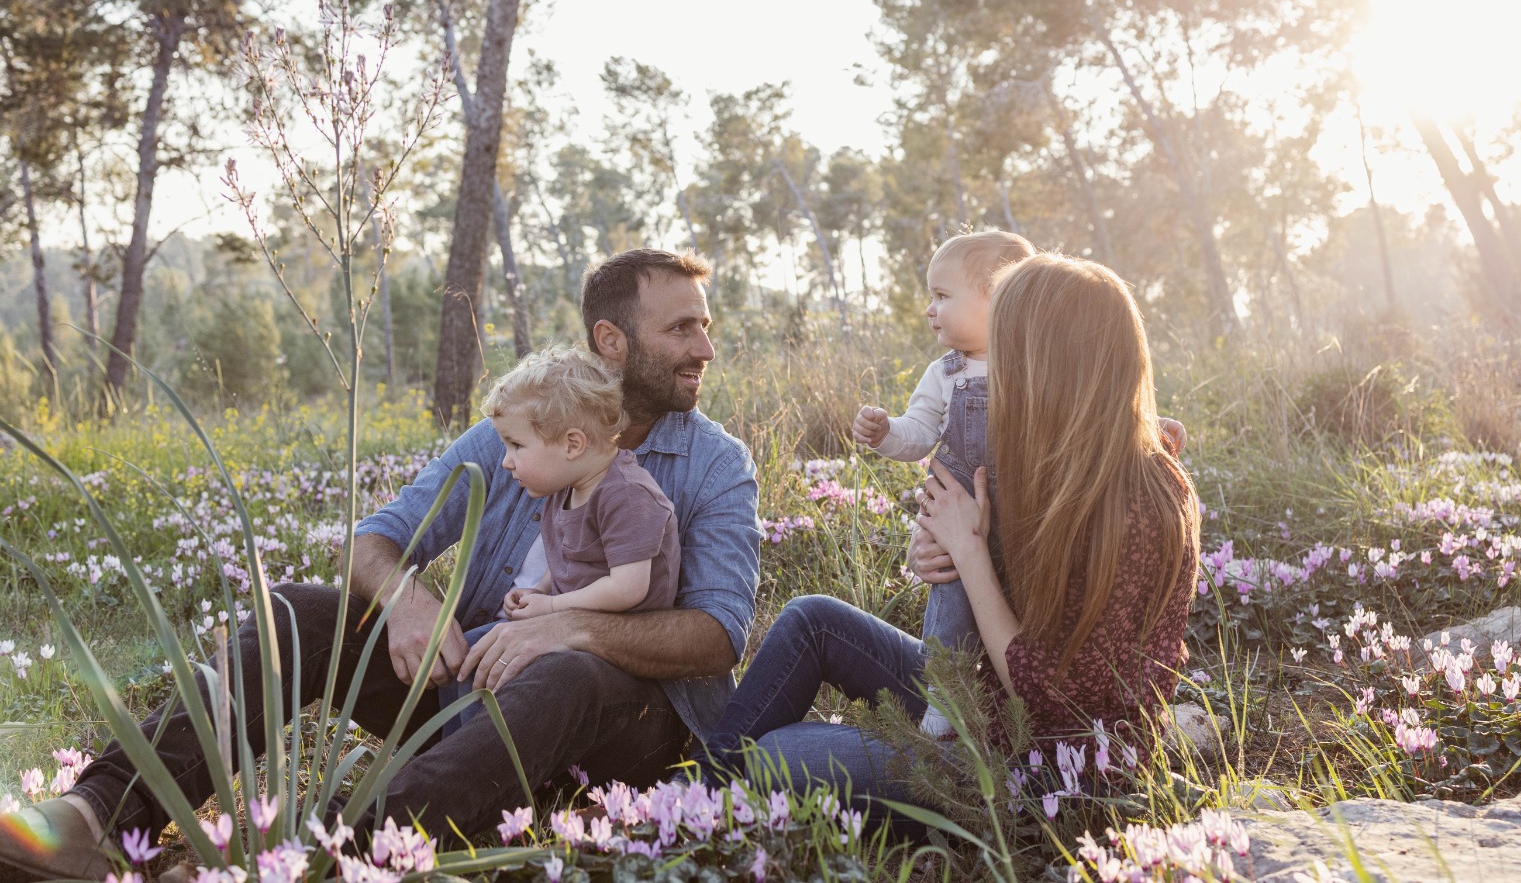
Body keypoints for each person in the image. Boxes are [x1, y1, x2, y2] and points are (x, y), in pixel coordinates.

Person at [0, 250, 760, 882]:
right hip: (476, 693)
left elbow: (718, 634)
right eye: (683, 328)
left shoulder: (715, 465)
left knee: (563, 673)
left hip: (620, 728)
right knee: (301, 610)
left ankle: (336, 855)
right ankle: (95, 816)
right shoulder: (521, 430)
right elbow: (375, 537)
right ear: (612, 339)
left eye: (706, 326)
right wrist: (408, 602)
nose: (705, 348)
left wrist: (575, 632)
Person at [700, 254, 1200, 820]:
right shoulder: (1049, 456)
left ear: (1051, 361)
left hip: (1043, 768)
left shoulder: (1135, 501)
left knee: (771, 756)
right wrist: (944, 550)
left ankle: (690, 803)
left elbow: (1049, 695)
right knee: (811, 621)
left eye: (1006, 345)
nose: (989, 365)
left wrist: (969, 551)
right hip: (985, 703)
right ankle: (696, 793)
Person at [437, 345, 681, 736]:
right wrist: (539, 591)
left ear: (572, 444)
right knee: (472, 655)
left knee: (496, 674)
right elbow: (570, 558)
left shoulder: (628, 495)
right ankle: (449, 748)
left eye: (516, 445)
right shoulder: (564, 488)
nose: (506, 461)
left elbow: (629, 588)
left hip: (616, 653)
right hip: (574, 625)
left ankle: (483, 758)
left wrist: (551, 606)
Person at [851, 230, 1034, 737]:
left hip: (1025, 518)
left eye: (942, 295)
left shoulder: (1036, 365)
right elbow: (918, 435)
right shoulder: (944, 373)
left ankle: (1019, 711)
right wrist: (887, 433)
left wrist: (1153, 429)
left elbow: (1091, 418)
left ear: (997, 295)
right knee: (950, 611)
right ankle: (945, 705)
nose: (930, 309)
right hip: (957, 524)